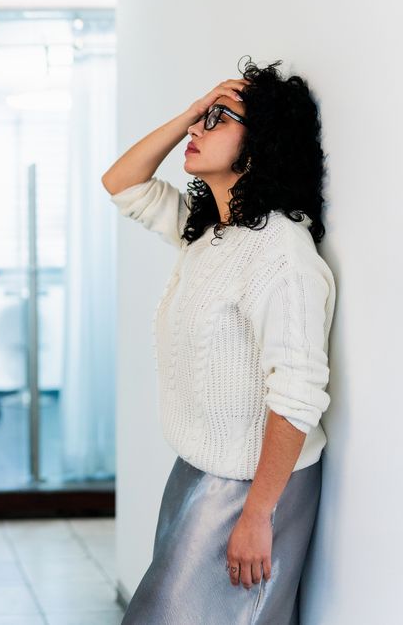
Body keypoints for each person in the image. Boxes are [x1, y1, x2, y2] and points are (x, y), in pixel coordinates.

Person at [102, 56, 335, 624]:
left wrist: (259, 515)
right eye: (204, 116)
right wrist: (193, 109)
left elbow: (297, 394)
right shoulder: (211, 235)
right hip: (197, 473)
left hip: (248, 488)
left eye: (219, 119)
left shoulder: (280, 255)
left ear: (261, 146)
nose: (196, 130)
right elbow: (122, 183)